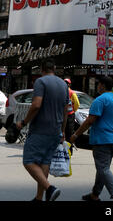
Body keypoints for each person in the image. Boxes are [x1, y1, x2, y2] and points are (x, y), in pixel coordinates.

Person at [16, 58, 69, 202]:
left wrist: (24, 121)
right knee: (44, 163)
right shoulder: (64, 85)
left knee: (29, 161)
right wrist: (63, 131)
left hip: (40, 130)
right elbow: (66, 111)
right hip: (55, 131)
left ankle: (50, 188)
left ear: (42, 69)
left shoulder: (41, 81)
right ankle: (39, 198)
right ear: (54, 68)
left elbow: (36, 105)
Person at [70, 76, 113, 201]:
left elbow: (90, 120)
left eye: (98, 84)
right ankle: (95, 194)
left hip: (102, 139)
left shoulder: (100, 100)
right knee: (103, 169)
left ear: (103, 86)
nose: (97, 86)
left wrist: (75, 134)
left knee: (103, 169)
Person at [64, 78, 80, 146]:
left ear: (69, 84)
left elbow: (77, 103)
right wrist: (73, 110)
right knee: (69, 132)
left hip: (65, 115)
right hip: (70, 115)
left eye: (66, 83)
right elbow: (77, 104)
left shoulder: (61, 92)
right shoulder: (72, 93)